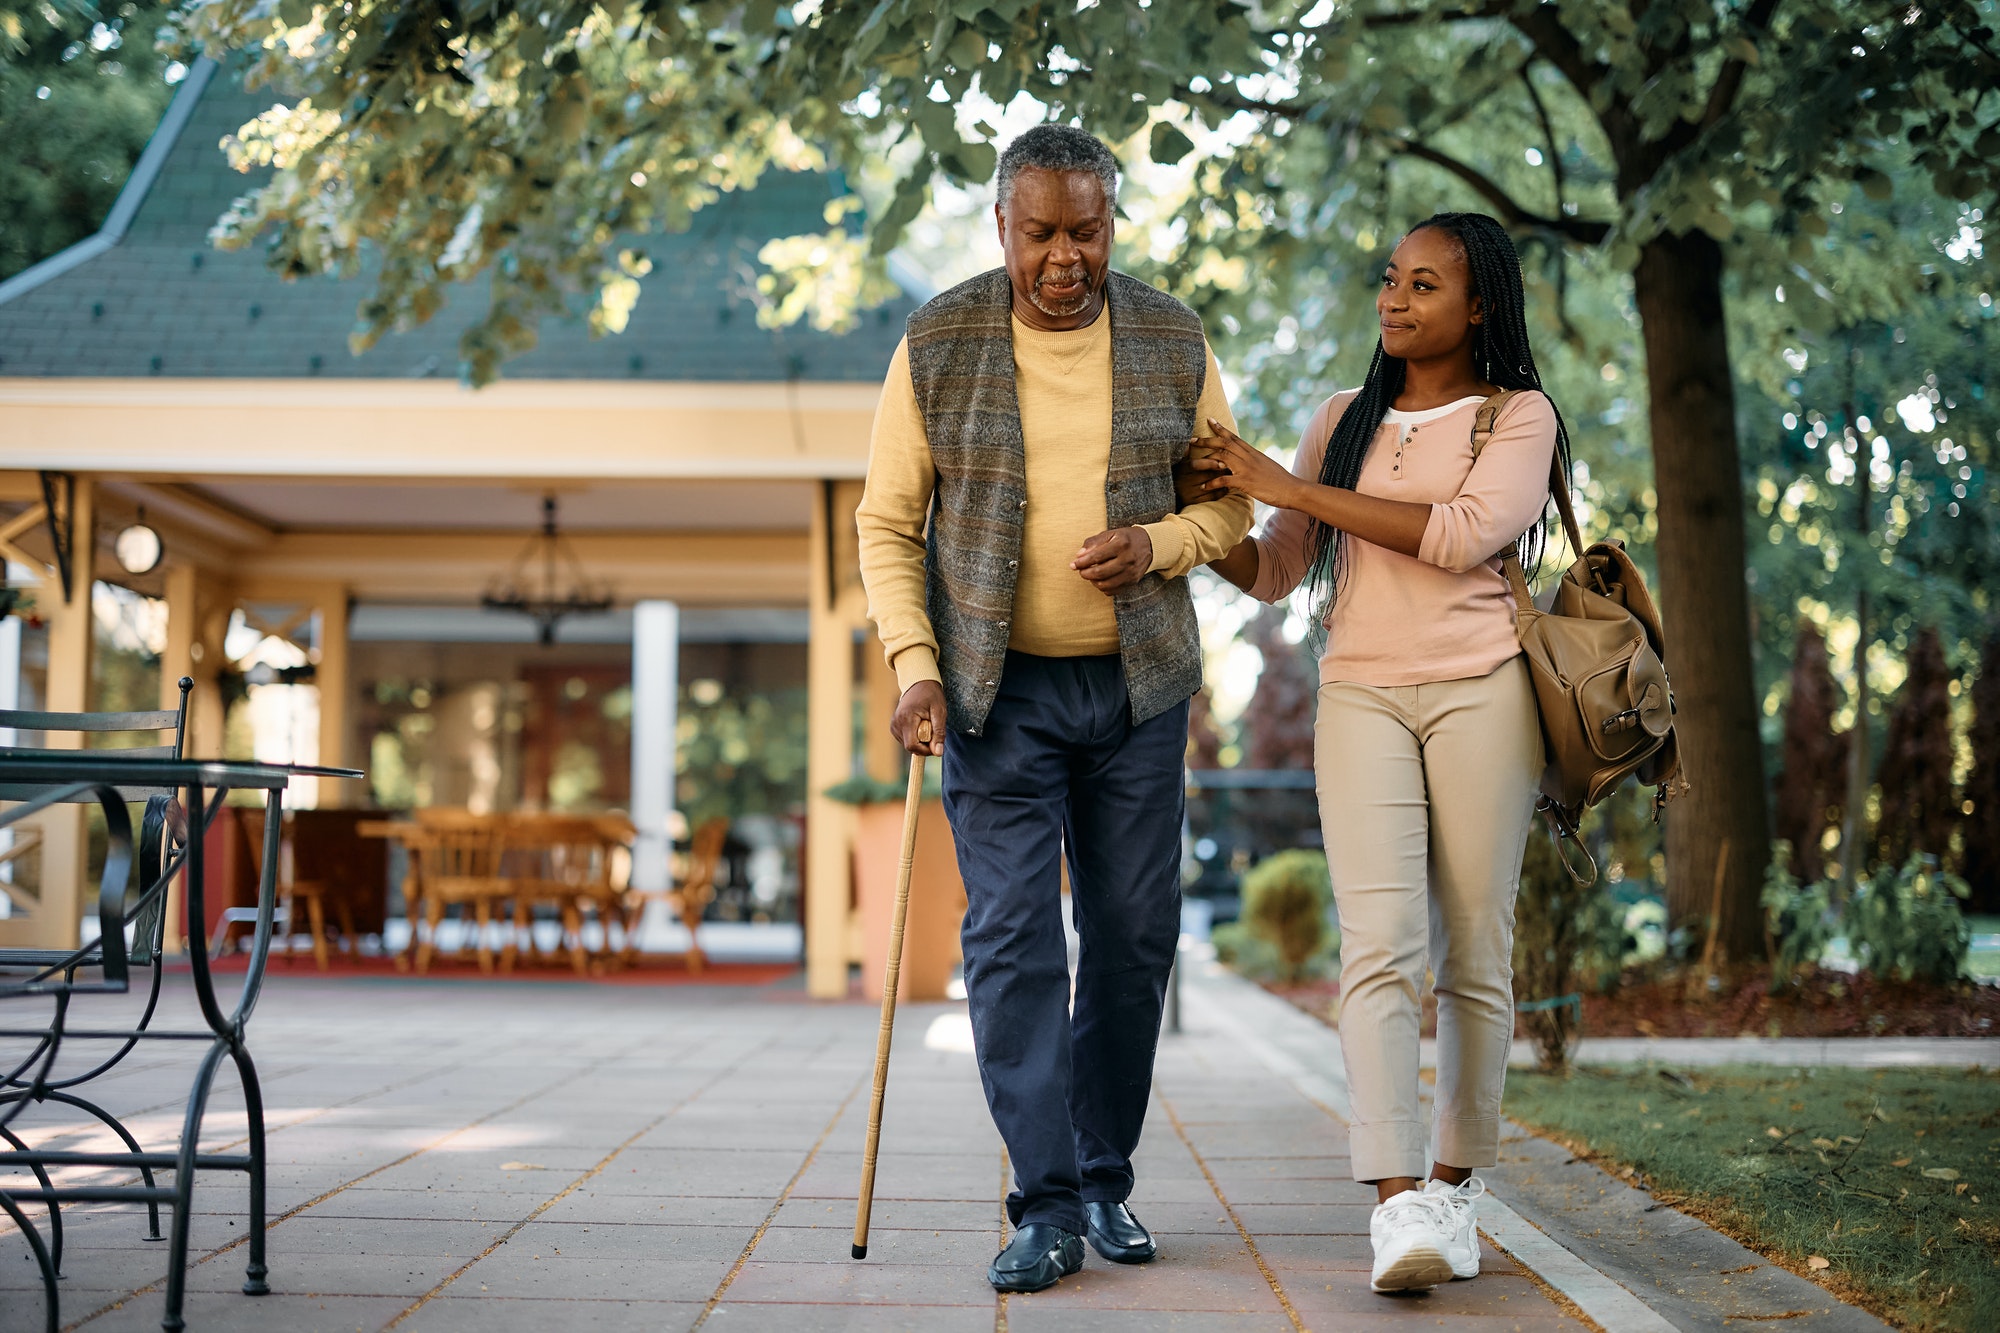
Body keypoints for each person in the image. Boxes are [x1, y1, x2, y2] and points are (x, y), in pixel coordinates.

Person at [855, 124, 1253, 1293]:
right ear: (1002, 228)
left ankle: (1102, 1177)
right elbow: (887, 523)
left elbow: (1228, 510)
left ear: (1110, 224)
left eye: (1086, 230)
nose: (1065, 256)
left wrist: (1160, 542)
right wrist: (911, 662)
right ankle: (1043, 1203)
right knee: (1013, 938)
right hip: (994, 688)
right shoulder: (937, 340)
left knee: (1133, 939)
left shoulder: (1173, 336)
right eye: (1042, 233)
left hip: (1136, 690)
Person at [1186, 212, 1565, 1294]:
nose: (1394, 300)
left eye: (1424, 284)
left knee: (1474, 954)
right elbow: (1273, 570)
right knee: (1380, 945)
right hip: (1358, 696)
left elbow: (1455, 535)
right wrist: (1204, 521)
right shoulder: (1336, 420)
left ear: (1478, 303)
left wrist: (1285, 484)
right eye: (1389, 279)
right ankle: (1397, 1200)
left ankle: (1455, 1185)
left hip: (1481, 693)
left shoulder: (1515, 417)